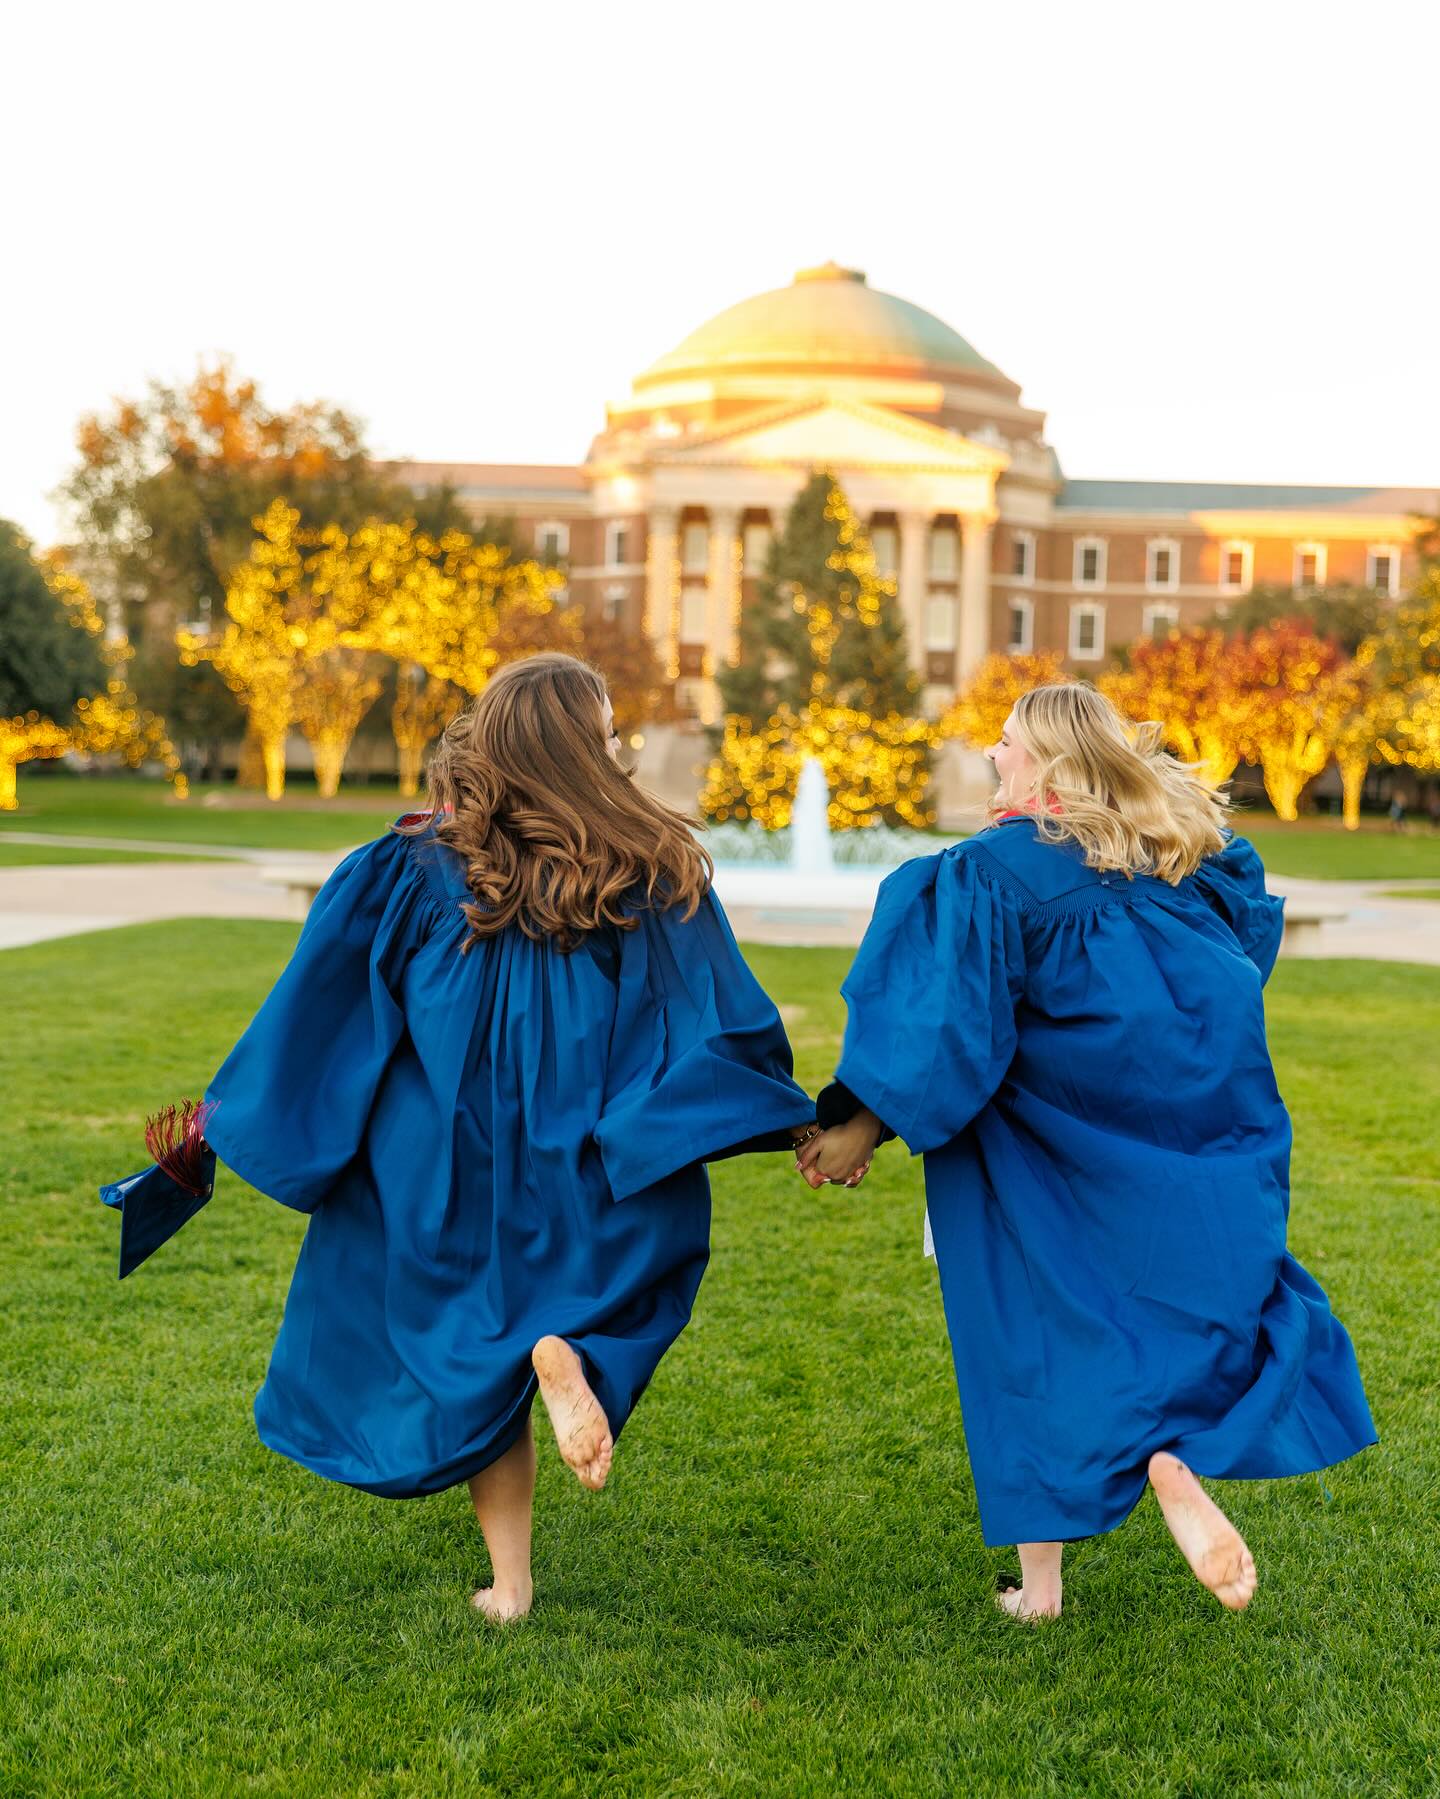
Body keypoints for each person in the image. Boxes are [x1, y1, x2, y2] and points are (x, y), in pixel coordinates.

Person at [109, 654, 816, 1621]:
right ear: (572, 747)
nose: (620, 747)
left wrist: (217, 1127)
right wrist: (787, 1111)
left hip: (436, 1164)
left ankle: (511, 1586)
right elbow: (711, 1014)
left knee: (481, 1354)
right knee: (630, 1284)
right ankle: (576, 1362)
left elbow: (321, 1011)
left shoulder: (409, 865)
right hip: (582, 1157)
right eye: (608, 731)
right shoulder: (646, 872)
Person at [797, 683, 1375, 1621]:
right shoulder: (1164, 857)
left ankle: (1042, 1587)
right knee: (1179, 1306)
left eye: (1007, 741)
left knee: (1029, 1334)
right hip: (1165, 1135)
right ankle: (1172, 1459)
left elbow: (942, 1032)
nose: (993, 754)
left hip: (1035, 1148)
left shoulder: (988, 871)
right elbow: (1239, 939)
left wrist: (861, 1122)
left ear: (1048, 763)